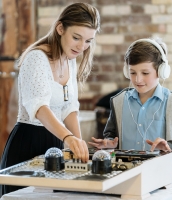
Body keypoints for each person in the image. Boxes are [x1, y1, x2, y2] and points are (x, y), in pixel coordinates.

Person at [0, 2, 100, 196]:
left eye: (88, 41)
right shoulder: (37, 58)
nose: (82, 46)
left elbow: (70, 108)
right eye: (77, 37)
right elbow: (39, 108)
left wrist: (79, 144)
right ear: (60, 28)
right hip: (28, 142)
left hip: (55, 144)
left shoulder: (69, 60)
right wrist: (69, 138)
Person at [89, 37, 172, 180]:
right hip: (124, 178)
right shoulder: (118, 101)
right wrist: (109, 144)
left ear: (161, 71)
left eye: (145, 73)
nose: (137, 79)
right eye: (132, 72)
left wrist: (169, 146)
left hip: (163, 179)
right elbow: (111, 135)